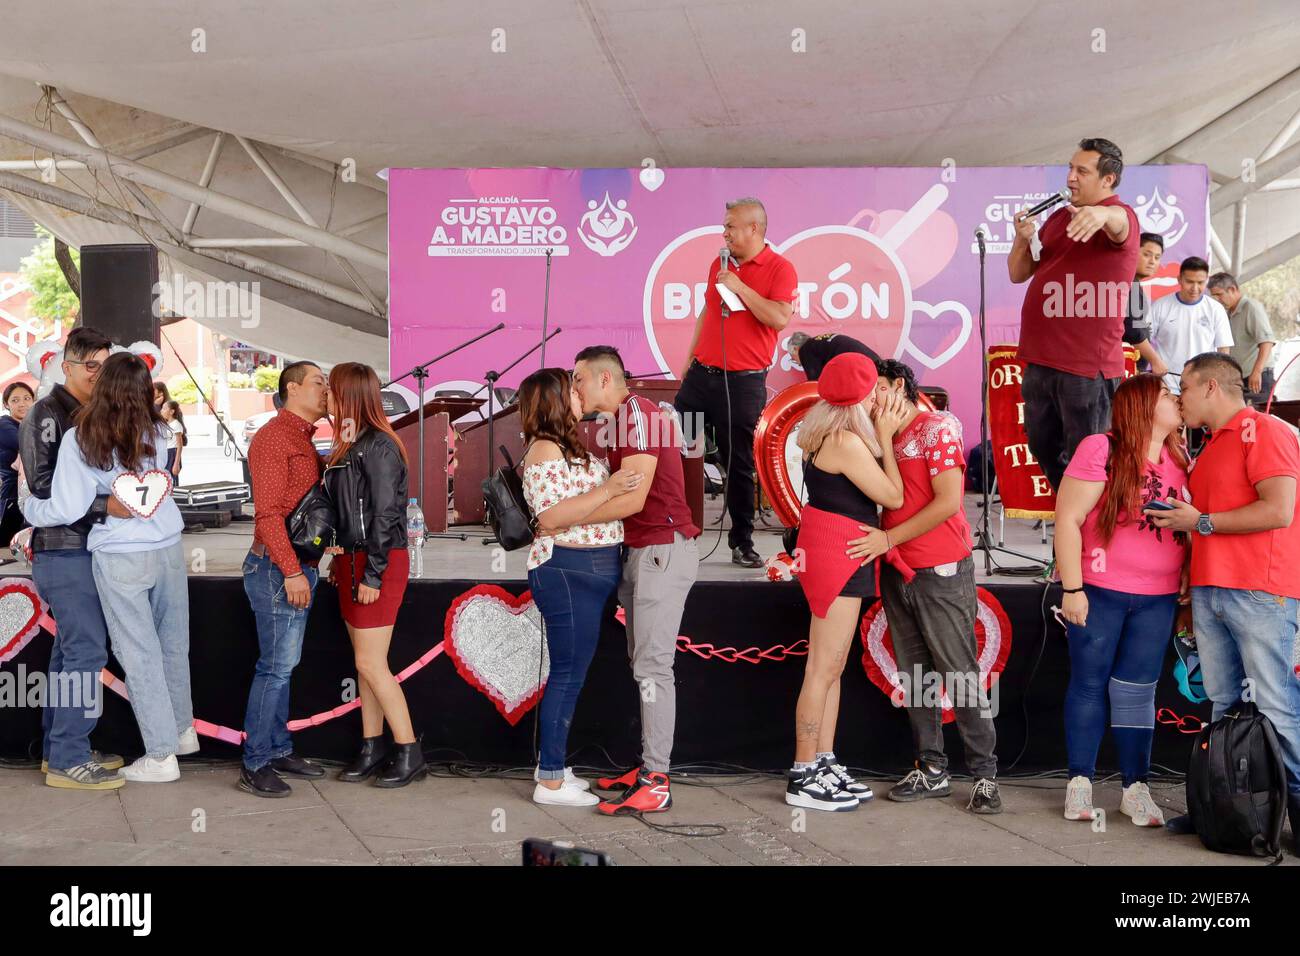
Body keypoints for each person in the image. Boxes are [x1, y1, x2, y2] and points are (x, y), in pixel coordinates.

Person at [1147, 352, 1300, 851]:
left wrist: (1200, 523)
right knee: (1223, 704)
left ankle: (1295, 814)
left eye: (1184, 390)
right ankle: (1224, 808)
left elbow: (1278, 510)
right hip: (1215, 591)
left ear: (1211, 387)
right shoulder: (1210, 447)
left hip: (1260, 588)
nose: (1179, 400)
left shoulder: (1267, 431)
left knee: (1276, 705)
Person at [23, 352, 195, 783]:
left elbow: (63, 506)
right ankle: (179, 731)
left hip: (118, 555)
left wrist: (28, 505)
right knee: (172, 644)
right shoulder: (160, 430)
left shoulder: (83, 436)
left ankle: (159, 754)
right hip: (169, 549)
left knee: (135, 654)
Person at [848, 359, 1002, 813]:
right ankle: (932, 767)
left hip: (940, 570)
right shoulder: (884, 434)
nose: (870, 398)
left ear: (898, 385)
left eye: (876, 388)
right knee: (916, 674)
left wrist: (889, 538)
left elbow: (949, 502)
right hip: (897, 571)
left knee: (960, 672)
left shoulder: (938, 427)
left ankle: (984, 775)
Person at [569, 346, 702, 815]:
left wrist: (564, 520)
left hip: (662, 552)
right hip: (646, 553)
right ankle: (646, 766)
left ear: (605, 379)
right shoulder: (623, 421)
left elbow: (631, 498)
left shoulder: (638, 416)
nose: (574, 389)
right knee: (642, 665)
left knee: (652, 669)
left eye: (579, 379)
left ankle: (656, 779)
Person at [1054, 374, 1189, 826]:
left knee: (1137, 692)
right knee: (1090, 684)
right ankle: (1079, 784)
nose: (1178, 401)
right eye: (1170, 396)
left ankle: (1136, 788)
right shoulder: (1101, 448)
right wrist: (1072, 588)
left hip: (1159, 597)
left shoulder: (1178, 456)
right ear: (1145, 406)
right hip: (1100, 590)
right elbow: (1068, 518)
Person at [785, 353, 905, 811]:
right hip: (839, 553)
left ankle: (822, 760)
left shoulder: (827, 433)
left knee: (832, 667)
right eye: (875, 389)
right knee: (822, 668)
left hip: (837, 548)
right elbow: (891, 496)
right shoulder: (845, 442)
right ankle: (802, 773)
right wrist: (890, 439)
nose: (881, 396)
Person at [518, 367, 642, 807]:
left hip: (585, 567)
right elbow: (551, 517)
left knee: (571, 674)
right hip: (568, 568)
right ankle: (549, 780)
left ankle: (552, 766)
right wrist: (608, 489)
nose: (579, 395)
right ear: (553, 400)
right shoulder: (545, 449)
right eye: (571, 390)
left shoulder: (565, 444)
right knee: (567, 677)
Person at [19, 326, 131, 790]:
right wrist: (108, 505)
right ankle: (68, 757)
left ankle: (60, 750)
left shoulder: (94, 412)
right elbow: (44, 488)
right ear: (64, 366)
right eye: (90, 366)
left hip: (88, 549)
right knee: (85, 651)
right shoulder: (46, 414)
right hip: (62, 551)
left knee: (71, 652)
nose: (98, 374)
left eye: (105, 365)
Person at [1010, 138, 1140, 490]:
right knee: (1043, 448)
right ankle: (1073, 528)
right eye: (1070, 168)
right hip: (1041, 361)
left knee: (1090, 461)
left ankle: (1091, 534)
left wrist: (1102, 213)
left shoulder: (1121, 216)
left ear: (1108, 179)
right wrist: (1022, 238)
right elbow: (1018, 273)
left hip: (1086, 367)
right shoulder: (1057, 218)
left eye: (1081, 171)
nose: (1070, 178)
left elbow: (1119, 222)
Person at [675, 197, 798, 568]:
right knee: (670, 446)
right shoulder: (719, 263)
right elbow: (706, 312)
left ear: (754, 229)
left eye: (730, 226)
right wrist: (688, 361)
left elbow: (778, 318)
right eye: (724, 225)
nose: (724, 232)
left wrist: (741, 287)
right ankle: (667, 531)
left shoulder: (780, 268)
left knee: (739, 464)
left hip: (742, 386)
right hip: (701, 380)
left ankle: (741, 542)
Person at [324, 362, 426, 788]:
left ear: (348, 395)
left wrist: (373, 574)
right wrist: (337, 557)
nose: (326, 399)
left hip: (376, 562)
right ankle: (372, 746)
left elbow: (386, 514)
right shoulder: (348, 444)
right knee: (365, 663)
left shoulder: (380, 445)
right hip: (352, 561)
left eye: (331, 391)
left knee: (369, 661)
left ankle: (409, 750)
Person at [239, 359, 330, 798]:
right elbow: (269, 514)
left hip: (296, 567)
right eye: (318, 382)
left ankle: (277, 748)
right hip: (278, 569)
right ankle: (255, 760)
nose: (326, 390)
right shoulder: (276, 437)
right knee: (275, 668)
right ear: (292, 388)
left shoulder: (303, 437)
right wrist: (292, 570)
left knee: (284, 666)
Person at [1146, 257, 1233, 395]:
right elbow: (1142, 340)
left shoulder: (1215, 309)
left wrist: (1220, 378)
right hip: (1167, 386)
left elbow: (1224, 349)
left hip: (1203, 388)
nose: (1195, 288)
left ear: (1207, 280)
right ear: (1179, 279)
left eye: (1200, 283)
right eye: (1189, 282)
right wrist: (1154, 361)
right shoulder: (1160, 306)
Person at [1207, 272, 1277, 405]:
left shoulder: (1251, 307)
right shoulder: (1227, 313)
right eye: (1214, 296)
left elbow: (1266, 342)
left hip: (1257, 377)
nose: (1217, 300)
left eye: (1219, 294)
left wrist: (1256, 372)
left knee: (1257, 419)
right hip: (1240, 378)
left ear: (1232, 289)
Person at [1123, 233, 1165, 374]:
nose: (1152, 261)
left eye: (1157, 257)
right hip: (1124, 366)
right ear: (1133, 252)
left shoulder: (1134, 284)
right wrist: (1155, 360)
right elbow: (1133, 330)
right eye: (1147, 254)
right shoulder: (1128, 284)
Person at [0, 381, 35, 546]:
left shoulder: (32, 426)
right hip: (12, 499)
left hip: (30, 496)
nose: (22, 403)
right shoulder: (5, 424)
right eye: (15, 400)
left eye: (27, 398)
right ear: (6, 404)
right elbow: (26, 445)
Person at [788, 331, 881, 381]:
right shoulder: (817, 343)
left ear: (796, 349)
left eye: (794, 359)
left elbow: (814, 385)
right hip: (873, 361)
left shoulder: (805, 350)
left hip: (863, 366)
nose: (798, 363)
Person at [160, 400, 186, 481]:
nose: (161, 411)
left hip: (172, 453)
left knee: (172, 481)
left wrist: (176, 463)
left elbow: (179, 445)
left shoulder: (176, 424)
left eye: (164, 409)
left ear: (171, 411)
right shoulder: (167, 424)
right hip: (166, 453)